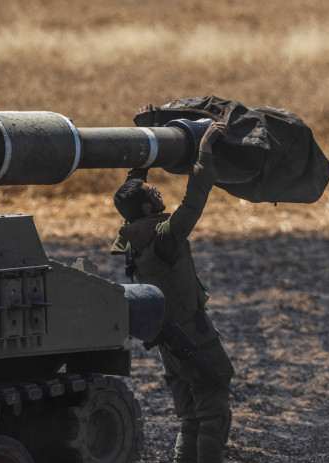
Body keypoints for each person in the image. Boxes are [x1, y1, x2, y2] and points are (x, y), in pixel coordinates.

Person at [112, 109, 234, 463]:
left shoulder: (132, 237)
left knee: (190, 418)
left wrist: (143, 144)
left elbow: (132, 191)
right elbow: (194, 201)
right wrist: (205, 150)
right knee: (213, 411)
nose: (159, 194)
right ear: (149, 205)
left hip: (169, 342)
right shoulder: (165, 238)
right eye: (154, 192)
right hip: (192, 336)